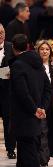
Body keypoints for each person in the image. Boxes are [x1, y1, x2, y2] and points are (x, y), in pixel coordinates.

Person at [10, 34, 51, 167]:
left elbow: (22, 93)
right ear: (28, 45)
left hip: (24, 116)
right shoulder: (38, 63)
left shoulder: (18, 65)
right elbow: (48, 88)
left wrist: (34, 110)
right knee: (24, 149)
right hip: (35, 114)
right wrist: (42, 108)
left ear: (14, 48)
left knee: (31, 153)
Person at [0, 23, 16, 159]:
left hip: (8, 91)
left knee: (9, 121)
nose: (0, 35)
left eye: (2, 32)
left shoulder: (11, 47)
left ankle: (10, 149)